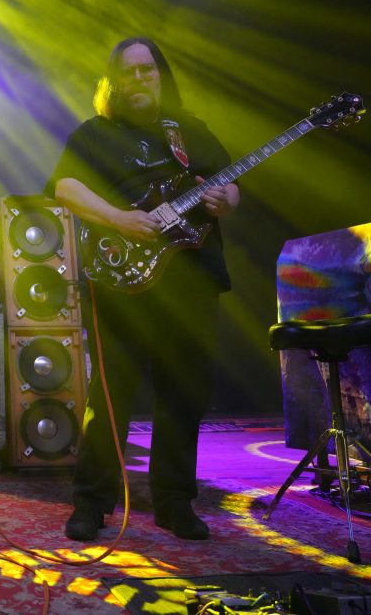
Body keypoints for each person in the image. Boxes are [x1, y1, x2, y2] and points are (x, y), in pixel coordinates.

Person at [46, 37, 239, 542]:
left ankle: (175, 503)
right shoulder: (95, 133)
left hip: (191, 278)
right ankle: (92, 503)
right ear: (113, 82)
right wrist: (118, 218)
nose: (139, 78)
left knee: (184, 394)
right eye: (128, 72)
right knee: (111, 395)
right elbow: (65, 187)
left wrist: (226, 199)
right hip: (122, 280)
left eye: (147, 70)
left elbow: (230, 182)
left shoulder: (189, 131)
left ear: (160, 77)